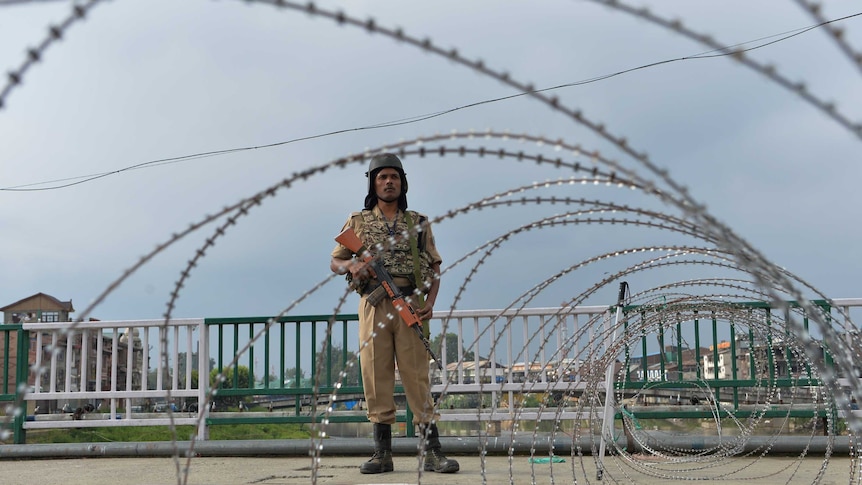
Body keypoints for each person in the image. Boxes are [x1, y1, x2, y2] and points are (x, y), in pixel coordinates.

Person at [330, 153, 459, 475]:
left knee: (416, 376)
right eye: (382, 177)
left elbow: (435, 266)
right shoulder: (357, 221)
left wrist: (430, 302)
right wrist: (353, 265)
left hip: (410, 302)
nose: (389, 182)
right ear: (373, 183)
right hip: (374, 305)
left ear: (403, 183)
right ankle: (381, 453)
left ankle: (432, 452)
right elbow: (335, 262)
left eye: (394, 177)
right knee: (376, 375)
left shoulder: (418, 222)